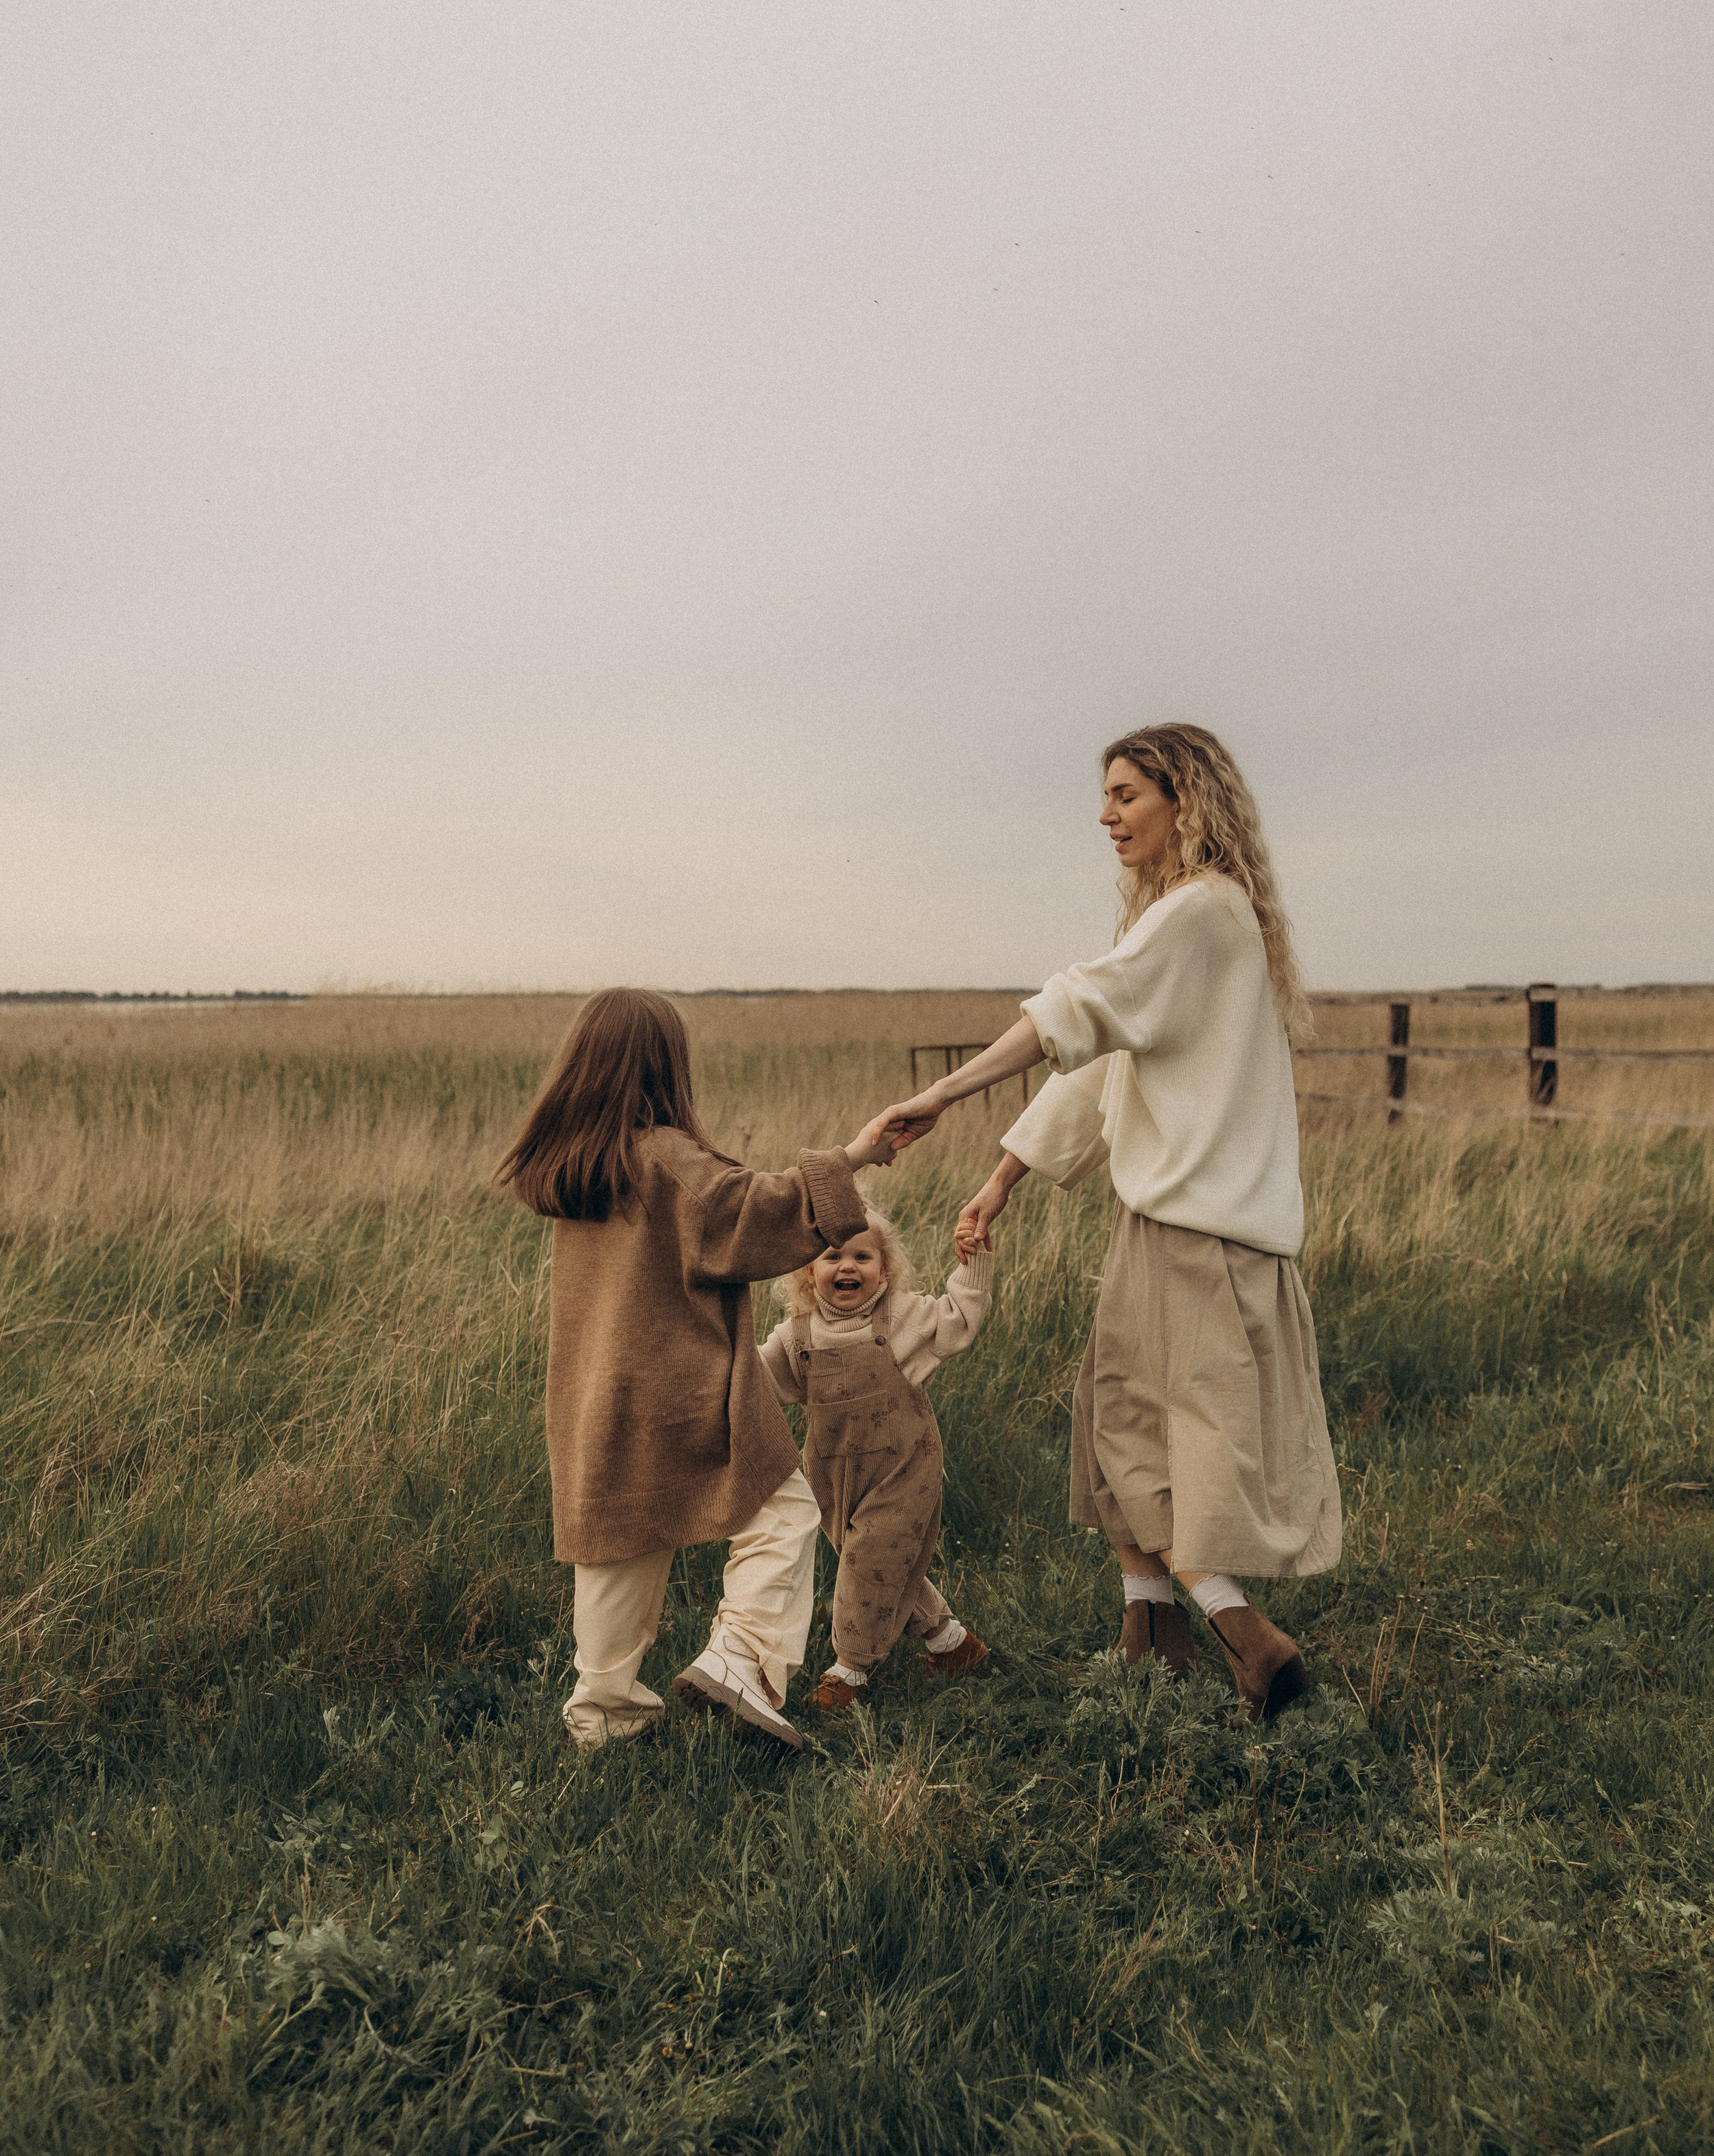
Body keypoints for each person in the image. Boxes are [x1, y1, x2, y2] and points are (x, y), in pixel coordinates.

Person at [880, 723, 1340, 1721]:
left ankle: (1245, 1639)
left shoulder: (1201, 914)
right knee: (1118, 1428)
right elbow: (1103, 1070)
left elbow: (1073, 1013)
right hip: (1181, 1234)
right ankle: (1151, 1633)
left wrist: (946, 1093)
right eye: (1108, 796)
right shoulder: (1199, 922)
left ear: (1189, 801)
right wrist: (1002, 1179)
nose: (1107, 816)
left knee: (1144, 1446)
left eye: (1128, 795)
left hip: (1195, 1242)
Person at [497, 988, 894, 1752]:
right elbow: (761, 1213)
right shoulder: (669, 1160)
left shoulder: (576, 1167)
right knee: (784, 1514)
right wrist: (850, 1157)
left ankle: (603, 1717)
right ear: (664, 1065)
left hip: (596, 1401)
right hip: (679, 1394)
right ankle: (740, 1662)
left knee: (617, 1551)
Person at [759, 1206, 992, 1712]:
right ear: (808, 1271)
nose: (848, 1267)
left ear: (884, 1271)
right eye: (832, 1256)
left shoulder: (902, 1319)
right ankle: (951, 1643)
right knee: (884, 1564)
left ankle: (851, 1670)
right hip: (835, 1475)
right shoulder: (796, 1338)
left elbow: (958, 1319)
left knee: (866, 1565)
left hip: (905, 1469)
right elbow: (756, 1383)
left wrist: (973, 1262)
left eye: (863, 1256)